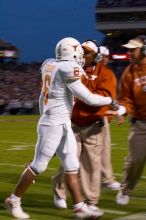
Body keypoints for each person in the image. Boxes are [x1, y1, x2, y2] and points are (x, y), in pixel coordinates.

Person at [4, 37, 115, 219]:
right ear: (70, 53)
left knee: (71, 165)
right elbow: (89, 98)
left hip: (62, 122)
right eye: (78, 52)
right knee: (38, 165)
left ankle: (79, 207)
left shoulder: (50, 64)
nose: (80, 56)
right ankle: (14, 199)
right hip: (53, 123)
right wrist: (111, 101)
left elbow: (46, 94)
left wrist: (47, 111)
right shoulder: (67, 68)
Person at [52, 40, 118, 211]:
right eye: (81, 51)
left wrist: (83, 96)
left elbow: (103, 97)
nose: (82, 54)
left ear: (95, 56)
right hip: (73, 123)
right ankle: (59, 189)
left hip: (93, 125)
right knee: (69, 160)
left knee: (92, 165)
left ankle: (91, 202)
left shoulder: (106, 74)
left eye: (86, 52)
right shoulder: (72, 70)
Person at [106, 35, 146, 205]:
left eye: (133, 49)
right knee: (136, 160)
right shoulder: (128, 73)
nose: (129, 52)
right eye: (128, 49)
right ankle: (125, 189)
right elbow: (126, 99)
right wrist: (122, 109)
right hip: (141, 124)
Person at [99, 46, 121, 190]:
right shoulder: (95, 73)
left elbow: (112, 96)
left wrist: (117, 110)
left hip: (103, 116)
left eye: (107, 56)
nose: (105, 59)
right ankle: (107, 179)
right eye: (102, 56)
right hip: (98, 117)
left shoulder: (108, 73)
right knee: (103, 150)